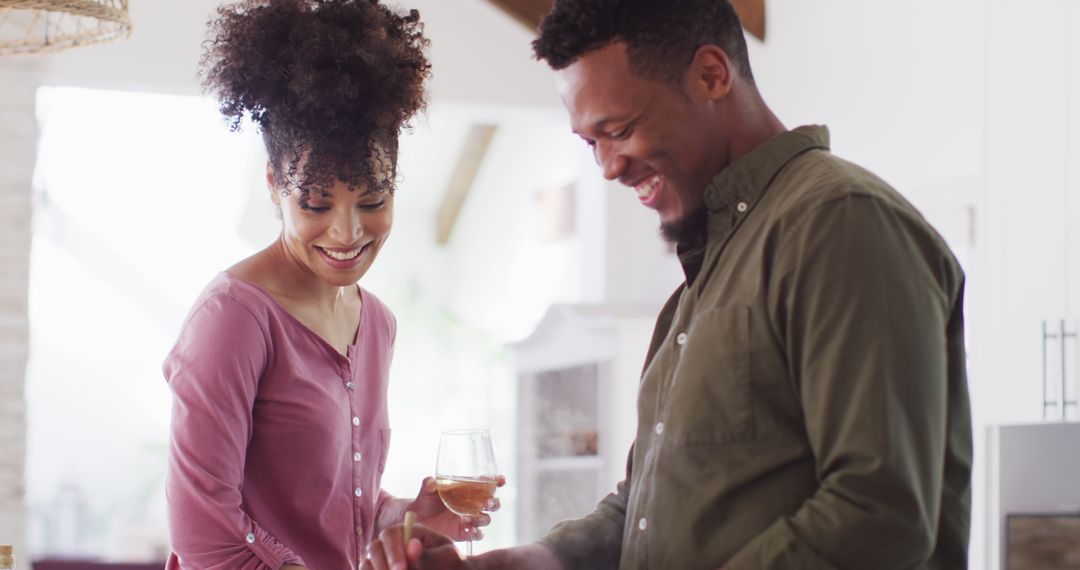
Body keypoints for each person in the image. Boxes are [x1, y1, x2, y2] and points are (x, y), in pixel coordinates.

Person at [362, 0, 973, 568]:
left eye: (620, 129)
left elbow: (877, 513)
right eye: (590, 142)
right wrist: (520, 563)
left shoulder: (841, 222)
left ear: (711, 75)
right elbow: (643, 510)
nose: (607, 168)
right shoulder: (701, 279)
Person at [163, 1, 498, 568]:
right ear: (274, 184)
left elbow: (329, 511)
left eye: (373, 200)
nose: (347, 232)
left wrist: (404, 518)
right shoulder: (234, 319)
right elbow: (206, 541)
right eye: (316, 203)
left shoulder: (378, 324)